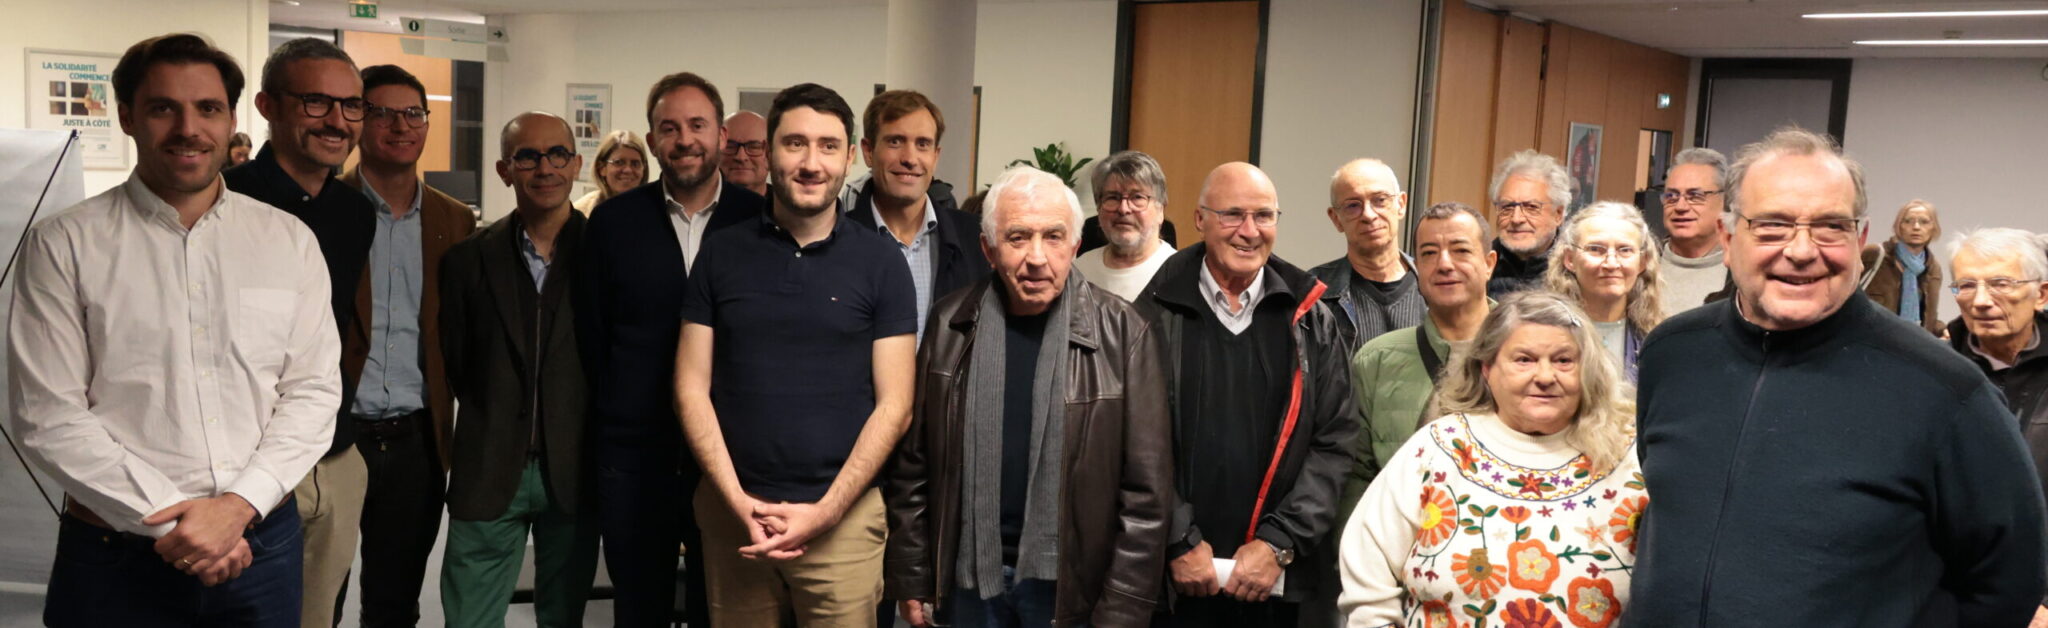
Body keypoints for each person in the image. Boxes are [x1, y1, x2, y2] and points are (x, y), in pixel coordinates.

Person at [1624, 127, 2048, 627]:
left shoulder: (1945, 389)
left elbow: (2007, 582)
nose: (1802, 250)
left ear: (1860, 240)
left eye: (1830, 227)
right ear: (1729, 236)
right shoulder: (1673, 354)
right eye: (1773, 225)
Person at [9, 32, 340, 626]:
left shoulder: (288, 241)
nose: (189, 129)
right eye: (164, 108)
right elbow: (47, 414)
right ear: (127, 117)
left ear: (231, 119)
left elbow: (313, 391)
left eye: (208, 108)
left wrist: (236, 508)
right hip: (115, 553)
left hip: (260, 544)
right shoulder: (64, 244)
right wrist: (182, 523)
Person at [884, 166, 1173, 627]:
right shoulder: (950, 324)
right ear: (988, 249)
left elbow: (1147, 496)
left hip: (1072, 585)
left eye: (1053, 237)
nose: (1037, 257)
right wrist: (913, 573)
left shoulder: (1124, 334)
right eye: (1018, 237)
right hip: (967, 581)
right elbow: (913, 466)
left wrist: (1123, 608)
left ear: (1075, 246)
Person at [677, 82, 917, 626]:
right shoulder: (721, 253)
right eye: (795, 144)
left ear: (850, 157)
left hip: (843, 527)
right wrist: (737, 500)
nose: (811, 163)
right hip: (736, 519)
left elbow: (896, 404)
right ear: (768, 152)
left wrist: (826, 512)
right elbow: (689, 387)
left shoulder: (882, 263)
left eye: (828, 146)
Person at [578, 71, 765, 628]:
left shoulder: (759, 221)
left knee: (724, 608)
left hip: (733, 459)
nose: (685, 140)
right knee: (639, 606)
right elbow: (593, 337)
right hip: (636, 458)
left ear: (721, 136)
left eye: (697, 125)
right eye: (670, 128)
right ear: (652, 140)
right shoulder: (612, 223)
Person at [1339, 291, 1645, 628]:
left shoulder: (1629, 453)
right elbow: (1368, 565)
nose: (1545, 376)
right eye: (1524, 359)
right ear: (1487, 368)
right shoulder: (1440, 447)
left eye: (1563, 360)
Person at [1137, 162, 1357, 627]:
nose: (1250, 231)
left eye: (1264, 216)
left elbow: (1335, 441)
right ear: (1200, 219)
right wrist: (1177, 540)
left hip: (1278, 585)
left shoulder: (1312, 318)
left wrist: (1279, 543)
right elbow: (1130, 441)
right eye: (1233, 214)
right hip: (1169, 585)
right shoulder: (1150, 315)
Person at [222, 37, 375, 628]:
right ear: (267, 106)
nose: (337, 120)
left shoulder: (354, 212)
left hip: (333, 456)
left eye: (351, 105)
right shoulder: (222, 200)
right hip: (240, 466)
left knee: (318, 616)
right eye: (316, 102)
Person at [437, 111, 602, 628]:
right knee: (469, 620)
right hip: (488, 464)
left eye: (557, 155)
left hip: (574, 468)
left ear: (576, 164)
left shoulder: (607, 254)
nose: (545, 168)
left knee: (563, 618)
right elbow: (457, 361)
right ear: (504, 170)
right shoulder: (466, 260)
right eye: (527, 157)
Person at [336, 63, 476, 627]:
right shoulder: (327, 208)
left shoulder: (455, 221)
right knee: (316, 597)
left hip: (417, 440)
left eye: (413, 113)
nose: (400, 126)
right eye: (382, 113)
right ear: (358, 121)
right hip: (335, 438)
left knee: (394, 605)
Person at [1342, 202, 1498, 514]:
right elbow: (1357, 479)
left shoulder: (1529, 354)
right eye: (1428, 253)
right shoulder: (1376, 360)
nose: (1444, 264)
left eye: (1460, 250)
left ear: (1488, 263)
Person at [847, 89, 988, 341]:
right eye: (895, 142)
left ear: (935, 156)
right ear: (868, 151)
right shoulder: (838, 241)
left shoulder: (977, 240)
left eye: (922, 144)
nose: (910, 159)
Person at [1946, 228, 2048, 522]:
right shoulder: (1932, 371)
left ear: (2041, 295)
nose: (1980, 301)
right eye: (1966, 285)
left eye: (2000, 284)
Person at [1310, 158, 1423, 354]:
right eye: (1353, 205)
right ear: (1336, 219)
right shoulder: (1312, 295)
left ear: (1401, 204)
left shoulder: (1437, 285)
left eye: (1380, 200)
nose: (1369, 215)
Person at [1541, 201, 1665, 380]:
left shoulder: (1660, 340)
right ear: (1569, 259)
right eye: (1596, 249)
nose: (1611, 264)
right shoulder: (1540, 332)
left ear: (1642, 262)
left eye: (1625, 250)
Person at [1072, 150, 1176, 302]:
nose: (1123, 209)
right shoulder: (1078, 272)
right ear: (1098, 207)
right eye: (1113, 197)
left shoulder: (1181, 274)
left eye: (1137, 197)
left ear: (1160, 209)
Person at [1485, 150, 1570, 298]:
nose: (1516, 219)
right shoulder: (1480, 265)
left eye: (1531, 207)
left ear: (1558, 214)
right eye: (1507, 207)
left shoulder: (1578, 269)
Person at [1658, 147, 1731, 317]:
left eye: (1695, 196)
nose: (1680, 206)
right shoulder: (1639, 265)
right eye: (1671, 196)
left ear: (1725, 200)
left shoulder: (1744, 271)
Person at [1862, 199, 1946, 335]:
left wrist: (1943, 330)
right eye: (1908, 221)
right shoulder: (1874, 255)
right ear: (1899, 226)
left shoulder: (1933, 268)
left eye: (1924, 222)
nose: (1916, 227)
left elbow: (1928, 318)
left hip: (1911, 343)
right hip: (1869, 341)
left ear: (1934, 228)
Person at [573, 129, 647, 214]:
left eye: (635, 163)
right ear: (601, 168)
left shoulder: (656, 210)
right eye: (619, 162)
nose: (628, 170)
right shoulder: (581, 212)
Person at [722, 110, 768, 197]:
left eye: (754, 147)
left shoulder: (788, 204)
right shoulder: (696, 203)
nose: (741, 157)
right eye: (730, 146)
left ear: (771, 154)